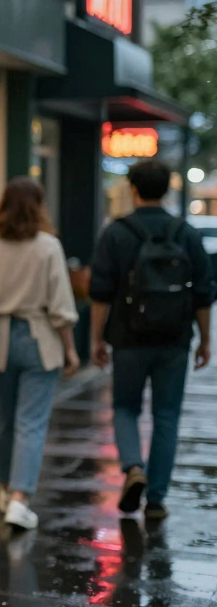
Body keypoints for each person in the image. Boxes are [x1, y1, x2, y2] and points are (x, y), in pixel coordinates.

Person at [89, 159, 213, 520]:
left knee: (126, 407)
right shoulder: (186, 233)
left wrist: (96, 339)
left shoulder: (116, 233)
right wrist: (204, 340)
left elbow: (100, 293)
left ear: (133, 189)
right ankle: (156, 498)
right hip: (175, 339)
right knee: (167, 415)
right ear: (168, 188)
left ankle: (132, 466)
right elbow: (204, 293)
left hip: (128, 338)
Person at [0, 177, 80, 531]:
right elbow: (60, 306)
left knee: (4, 419)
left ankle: (4, 489)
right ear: (39, 205)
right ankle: (20, 499)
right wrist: (71, 350)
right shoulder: (48, 246)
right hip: (39, 338)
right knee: (31, 421)